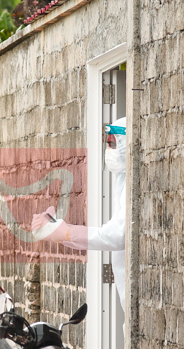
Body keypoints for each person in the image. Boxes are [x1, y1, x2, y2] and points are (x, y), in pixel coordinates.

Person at [32, 117, 128, 310]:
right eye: (107, 145)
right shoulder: (122, 178)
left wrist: (67, 232)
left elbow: (118, 235)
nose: (108, 150)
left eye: (112, 144)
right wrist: (57, 230)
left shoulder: (132, 181)